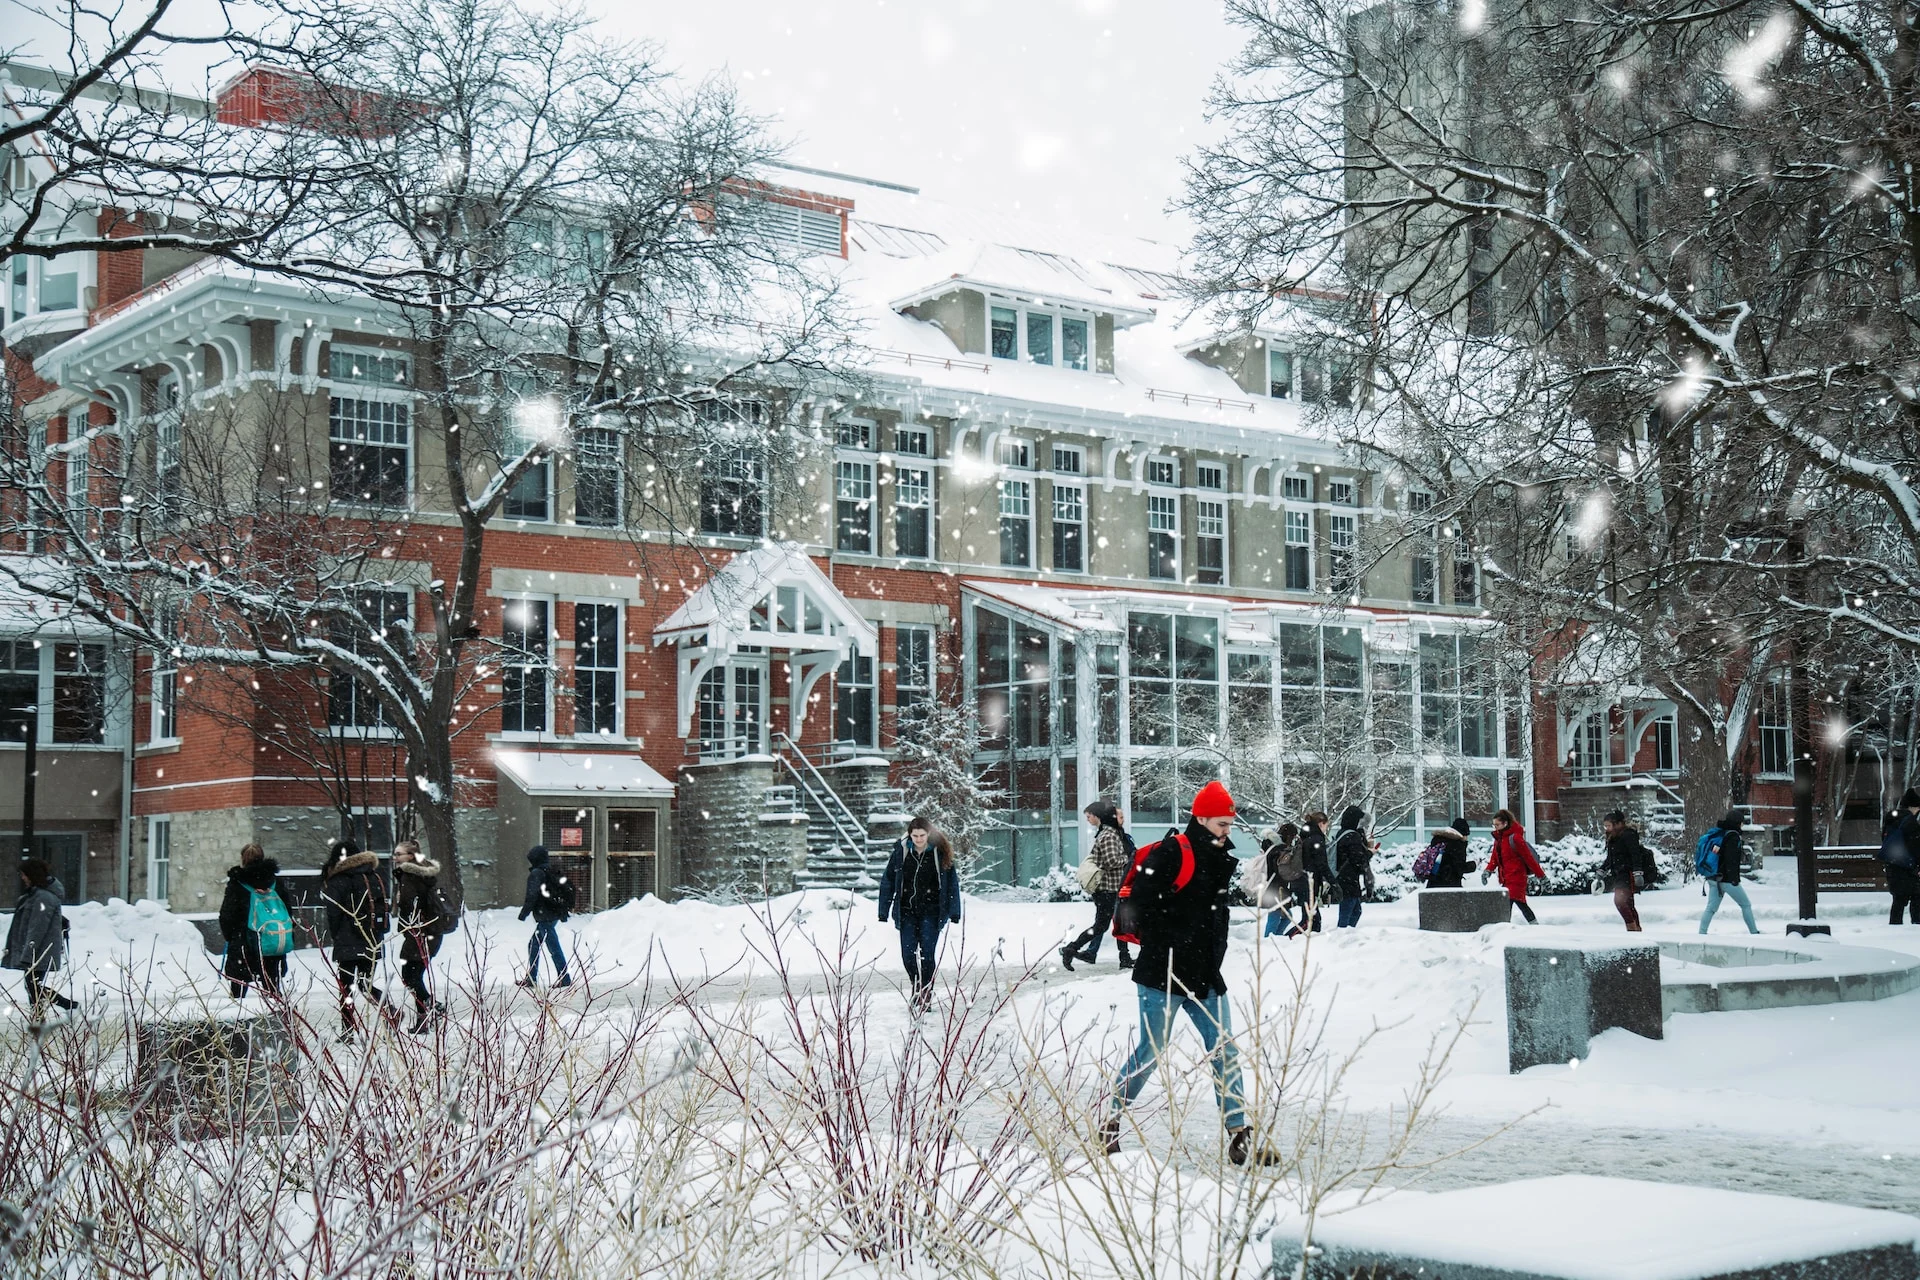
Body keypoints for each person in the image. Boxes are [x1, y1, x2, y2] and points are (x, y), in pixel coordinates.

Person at [1102, 780, 1279, 1167]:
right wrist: (1171, 938)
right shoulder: (1171, 852)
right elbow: (1139, 906)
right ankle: (1109, 1121)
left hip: (1205, 973)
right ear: (1200, 819)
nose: (1227, 832)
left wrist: (1206, 950)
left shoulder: (1218, 857)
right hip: (1162, 972)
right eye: (1221, 825)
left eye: (1230, 826)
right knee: (1151, 1051)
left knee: (1224, 1050)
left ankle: (1239, 1135)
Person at [878, 817, 962, 1010]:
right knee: (908, 955)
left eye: (922, 835)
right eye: (914, 835)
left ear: (928, 834)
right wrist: (883, 910)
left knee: (927, 954)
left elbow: (952, 884)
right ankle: (917, 986)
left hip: (932, 912)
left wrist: (954, 911)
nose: (918, 839)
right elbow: (888, 880)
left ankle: (925, 993)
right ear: (910, 834)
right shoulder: (901, 852)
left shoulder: (939, 853)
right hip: (906, 911)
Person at [322, 840, 396, 1039]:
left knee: (347, 987)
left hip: (347, 939)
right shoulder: (373, 876)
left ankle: (347, 1029)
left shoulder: (339, 879)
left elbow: (333, 912)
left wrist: (337, 934)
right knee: (365, 983)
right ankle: (389, 1009)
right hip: (372, 937)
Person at [1062, 800, 1134, 970]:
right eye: (1117, 816)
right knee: (1102, 926)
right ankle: (1071, 948)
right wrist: (1129, 859)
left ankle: (1123, 958)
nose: (1120, 819)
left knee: (1117, 923)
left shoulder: (1108, 833)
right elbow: (1110, 861)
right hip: (1107, 890)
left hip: (1111, 889)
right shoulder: (1109, 835)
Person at [392, 840, 453, 1032]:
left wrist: (406, 923)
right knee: (414, 976)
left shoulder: (410, 877)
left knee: (410, 976)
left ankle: (432, 1008)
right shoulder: (425, 874)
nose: (395, 858)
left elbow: (409, 906)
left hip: (420, 933)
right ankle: (425, 1019)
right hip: (431, 932)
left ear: (410, 857)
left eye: (399, 854)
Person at [217, 842, 289, 998]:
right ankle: (278, 1020)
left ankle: (238, 1021)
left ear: (243, 859)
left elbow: (227, 915)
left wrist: (231, 936)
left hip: (243, 942)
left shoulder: (237, 883)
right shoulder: (276, 883)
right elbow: (287, 911)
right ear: (262, 857)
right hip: (271, 940)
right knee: (273, 990)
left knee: (238, 991)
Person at [4, 859, 74, 1018]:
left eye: (23, 875)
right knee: (34, 986)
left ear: (31, 875)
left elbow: (38, 927)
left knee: (33, 986)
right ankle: (40, 1017)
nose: (22, 878)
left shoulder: (42, 897)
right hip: (37, 949)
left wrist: (29, 953)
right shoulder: (36, 895)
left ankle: (64, 1008)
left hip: (39, 950)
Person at [516, 845, 574, 989]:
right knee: (534, 944)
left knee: (553, 947)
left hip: (545, 915)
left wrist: (524, 913)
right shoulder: (551, 870)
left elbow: (532, 895)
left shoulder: (537, 873)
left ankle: (564, 978)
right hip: (552, 913)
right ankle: (531, 978)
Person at [1698, 810, 1760, 935]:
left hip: (1714, 877)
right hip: (1727, 879)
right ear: (1738, 823)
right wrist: (1734, 879)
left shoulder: (1722, 833)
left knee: (1711, 908)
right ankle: (1754, 932)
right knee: (1746, 904)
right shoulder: (1733, 836)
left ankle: (1702, 933)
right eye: (1742, 822)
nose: (1742, 825)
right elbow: (1730, 859)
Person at [1483, 809, 1544, 924]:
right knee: (1519, 903)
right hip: (1506, 878)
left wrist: (1541, 876)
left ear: (1505, 823)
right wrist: (1488, 870)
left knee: (1509, 903)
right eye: (1494, 825)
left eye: (1497, 824)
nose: (1495, 827)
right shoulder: (1499, 840)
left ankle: (1505, 927)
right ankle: (1533, 924)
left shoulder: (1515, 838)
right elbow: (1494, 859)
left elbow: (1529, 859)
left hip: (1517, 877)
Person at [1601, 810, 1648, 932]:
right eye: (1605, 826)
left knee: (1620, 901)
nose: (1606, 829)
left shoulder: (1628, 835)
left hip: (1627, 873)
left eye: (1609, 825)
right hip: (1618, 874)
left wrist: (1638, 872)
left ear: (1618, 824)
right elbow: (1610, 857)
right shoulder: (1612, 838)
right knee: (1628, 904)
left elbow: (1635, 854)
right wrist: (1601, 870)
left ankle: (1632, 928)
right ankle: (1636, 929)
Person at [1291, 811, 1335, 937]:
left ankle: (1304, 943)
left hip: (1302, 881)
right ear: (1321, 823)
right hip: (1308, 882)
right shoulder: (1316, 838)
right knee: (1310, 921)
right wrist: (1333, 882)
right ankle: (1286, 939)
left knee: (1311, 919)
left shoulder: (1305, 836)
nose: (1326, 829)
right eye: (1326, 825)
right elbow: (1322, 864)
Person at [1333, 806, 1376, 928]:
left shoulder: (1342, 833)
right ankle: (1343, 934)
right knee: (1348, 911)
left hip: (1343, 876)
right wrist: (1370, 853)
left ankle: (1347, 933)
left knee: (1355, 910)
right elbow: (1358, 859)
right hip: (1349, 878)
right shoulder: (1352, 836)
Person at [1259, 822, 1302, 938]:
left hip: (1271, 884)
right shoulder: (1281, 849)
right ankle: (1269, 940)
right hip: (1277, 887)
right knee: (1275, 916)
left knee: (1285, 916)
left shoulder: (1269, 845)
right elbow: (1282, 870)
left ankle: (1276, 938)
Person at [1885, 789, 1920, 925]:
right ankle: (1915, 928)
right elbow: (1915, 846)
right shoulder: (1911, 823)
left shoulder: (1891, 819)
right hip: (1909, 868)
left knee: (1898, 901)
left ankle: (1894, 927)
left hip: (1893, 866)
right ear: (1912, 807)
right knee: (1917, 899)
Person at [1423, 817, 1474, 889]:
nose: (1466, 838)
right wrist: (1473, 865)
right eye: (1466, 835)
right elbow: (1459, 867)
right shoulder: (1457, 844)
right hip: (1449, 885)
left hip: (1433, 884)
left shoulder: (1439, 840)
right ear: (1463, 834)